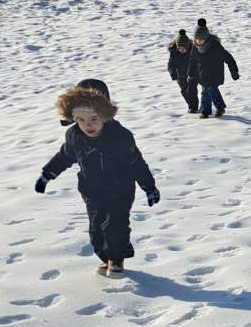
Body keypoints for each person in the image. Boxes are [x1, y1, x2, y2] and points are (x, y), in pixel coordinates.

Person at [36, 84, 160, 276]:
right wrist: (47, 174)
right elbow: (64, 157)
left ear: (105, 116)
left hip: (120, 190)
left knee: (115, 226)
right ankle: (107, 257)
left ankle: (116, 260)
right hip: (91, 191)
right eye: (81, 120)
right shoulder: (74, 136)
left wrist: (149, 187)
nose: (88, 125)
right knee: (96, 231)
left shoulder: (120, 138)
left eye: (94, 119)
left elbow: (137, 164)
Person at [187, 18, 240, 118]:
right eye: (197, 40)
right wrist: (191, 73)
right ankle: (205, 112)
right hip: (203, 74)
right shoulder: (195, 47)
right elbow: (193, 60)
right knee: (204, 93)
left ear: (206, 38)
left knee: (211, 89)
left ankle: (220, 108)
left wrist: (234, 71)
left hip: (215, 73)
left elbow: (228, 57)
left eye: (201, 40)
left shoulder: (215, 46)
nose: (199, 42)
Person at [166, 32, 197, 113]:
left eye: (183, 48)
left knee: (192, 90)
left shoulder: (192, 51)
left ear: (187, 47)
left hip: (191, 74)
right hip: (180, 75)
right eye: (179, 48)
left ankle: (194, 107)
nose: (181, 50)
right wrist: (173, 74)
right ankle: (190, 105)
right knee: (184, 91)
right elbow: (170, 65)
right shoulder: (174, 53)